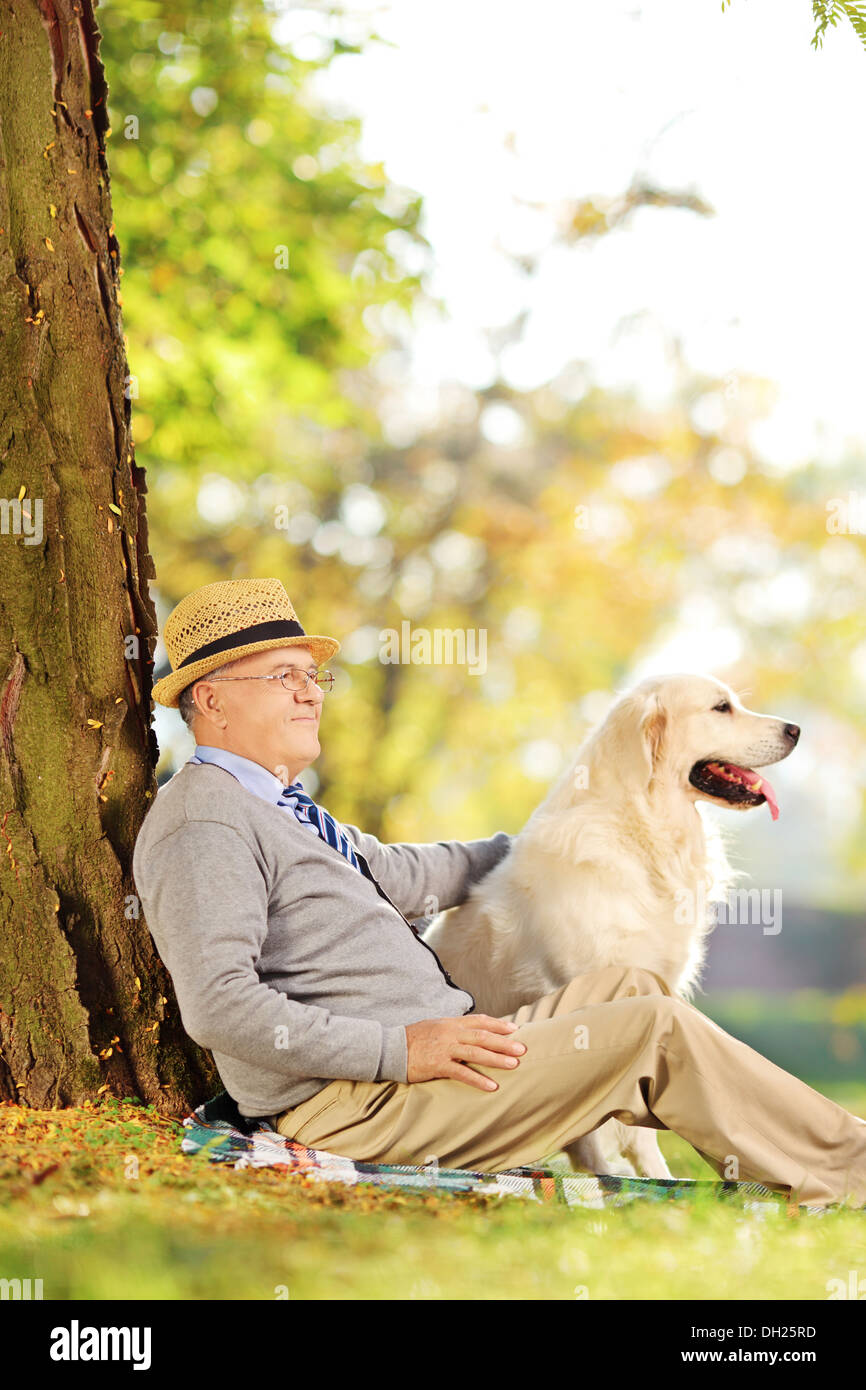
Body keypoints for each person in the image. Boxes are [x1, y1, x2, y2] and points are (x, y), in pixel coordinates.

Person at [133, 577, 866, 1211]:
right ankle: (850, 1169)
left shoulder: (289, 813)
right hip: (362, 1103)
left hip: (442, 1063)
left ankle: (798, 1157)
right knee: (652, 1030)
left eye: (310, 675)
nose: (309, 691)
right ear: (212, 700)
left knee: (630, 988)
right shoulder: (205, 821)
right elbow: (220, 1004)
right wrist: (401, 1049)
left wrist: (565, 840)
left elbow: (415, 874)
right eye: (283, 675)